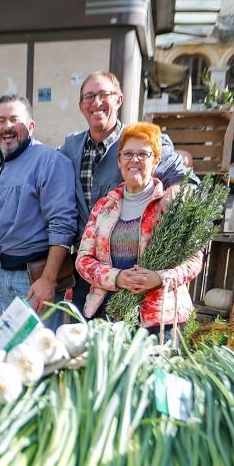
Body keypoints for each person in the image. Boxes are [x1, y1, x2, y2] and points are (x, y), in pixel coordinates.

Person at [59, 71, 194, 305]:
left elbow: (186, 178)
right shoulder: (70, 147)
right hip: (89, 268)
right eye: (89, 96)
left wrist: (175, 188)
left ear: (119, 99)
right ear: (81, 106)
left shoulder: (139, 141)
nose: (96, 103)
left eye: (104, 95)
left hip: (137, 273)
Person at [75, 122, 202, 335]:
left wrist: (159, 278)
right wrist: (116, 277)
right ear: (119, 160)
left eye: (143, 154)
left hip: (159, 320)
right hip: (108, 315)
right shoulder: (104, 207)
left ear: (156, 161)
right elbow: (83, 260)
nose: (134, 160)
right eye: (128, 154)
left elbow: (193, 260)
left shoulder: (171, 204)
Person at [0, 94, 78, 329]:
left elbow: (62, 225)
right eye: (1, 120)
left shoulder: (50, 161)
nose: (7, 127)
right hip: (3, 275)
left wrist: (48, 279)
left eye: (15, 119)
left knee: (40, 355)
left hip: (34, 278)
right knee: (14, 355)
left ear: (31, 126)